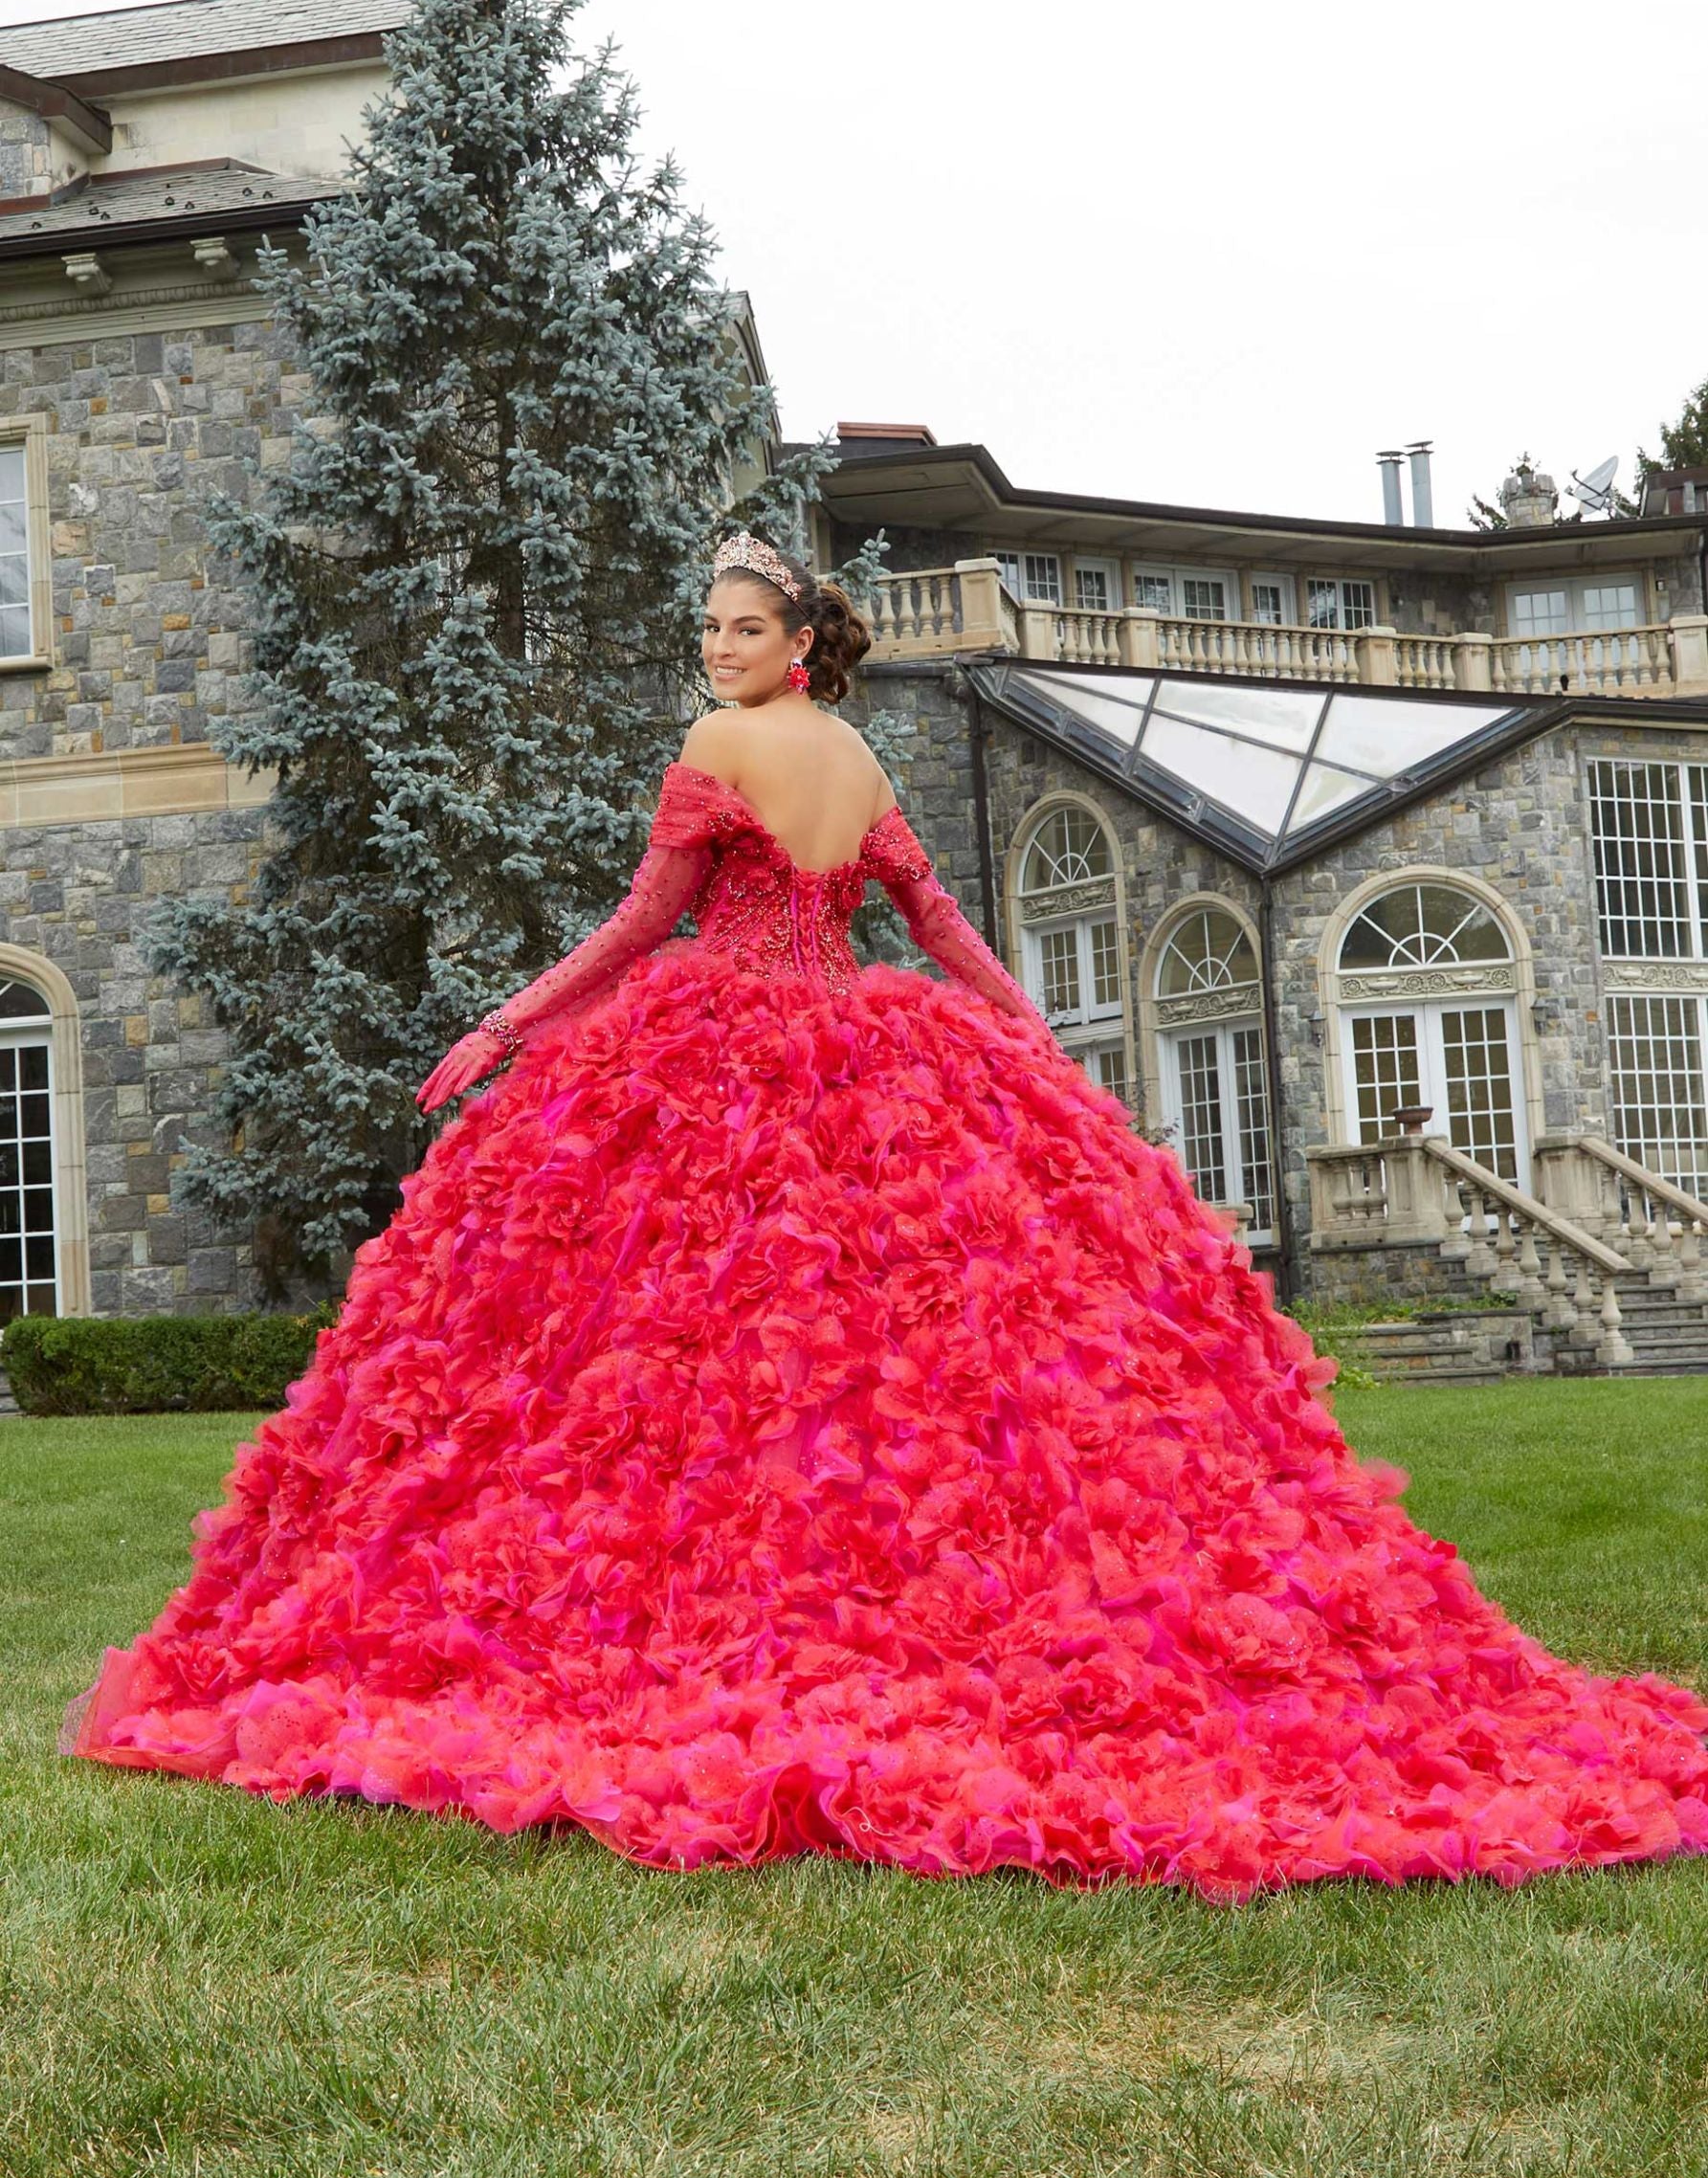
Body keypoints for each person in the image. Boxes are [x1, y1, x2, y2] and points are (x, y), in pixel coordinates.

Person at [63, 532, 1708, 1903]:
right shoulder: (858, 757)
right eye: (706, 629)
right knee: (891, 1358)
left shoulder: (720, 754)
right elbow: (932, 919)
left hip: (717, 1062)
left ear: (797, 641)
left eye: (741, 628)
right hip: (873, 1052)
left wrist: (508, 1029)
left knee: (645, 1359)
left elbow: (648, 926)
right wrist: (1030, 1050)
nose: (716, 651)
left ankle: (716, 1636)